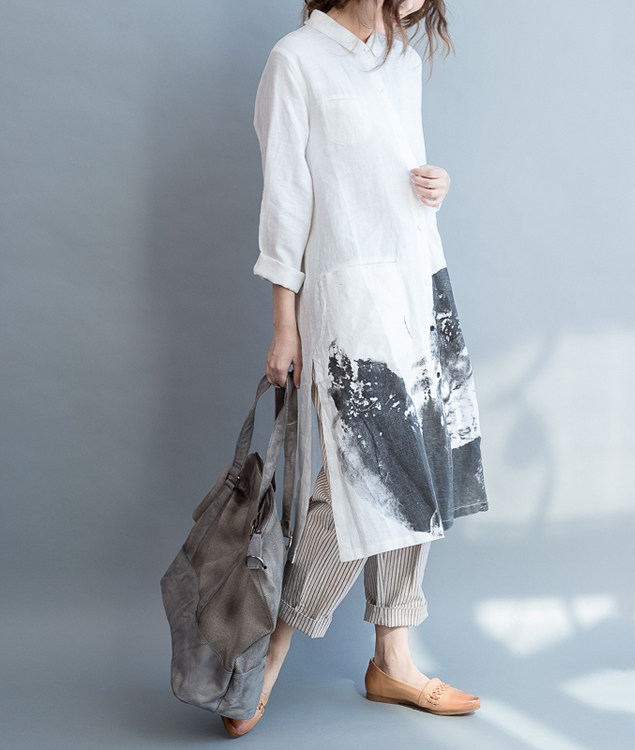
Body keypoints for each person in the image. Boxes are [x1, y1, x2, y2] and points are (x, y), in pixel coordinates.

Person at [221, 0, 489, 737]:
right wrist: (284, 323)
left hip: (416, 281)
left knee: (419, 467)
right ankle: (268, 652)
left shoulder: (402, 59)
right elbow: (287, 199)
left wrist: (435, 183)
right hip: (345, 299)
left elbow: (391, 171)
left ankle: (392, 657)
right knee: (361, 480)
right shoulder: (296, 61)